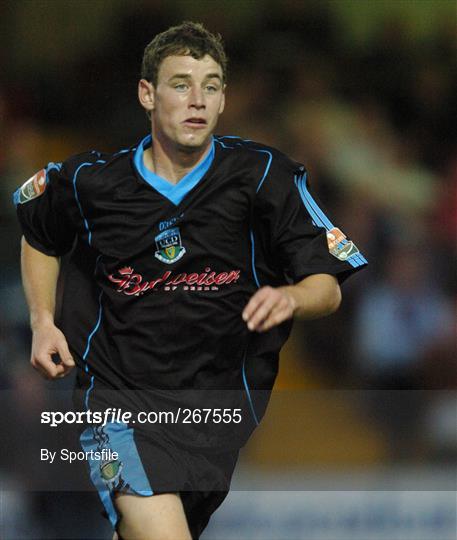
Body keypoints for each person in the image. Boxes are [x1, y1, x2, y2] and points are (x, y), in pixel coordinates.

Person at [14, 21, 367, 540]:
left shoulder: (262, 177)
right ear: (147, 94)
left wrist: (291, 296)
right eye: (180, 84)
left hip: (215, 419)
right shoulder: (94, 182)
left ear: (224, 99)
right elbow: (39, 232)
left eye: (211, 85)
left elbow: (327, 286)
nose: (196, 100)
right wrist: (43, 321)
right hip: (118, 406)